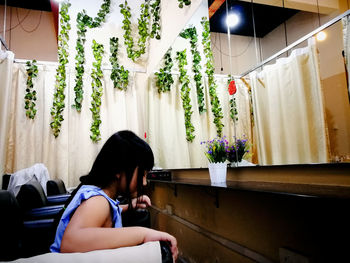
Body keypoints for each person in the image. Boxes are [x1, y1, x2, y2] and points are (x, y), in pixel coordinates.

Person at [50, 130, 178, 261]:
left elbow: (103, 215)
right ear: (118, 170)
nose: (144, 182)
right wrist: (143, 233)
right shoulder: (98, 201)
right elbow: (70, 243)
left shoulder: (101, 195)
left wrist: (128, 207)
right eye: (142, 174)